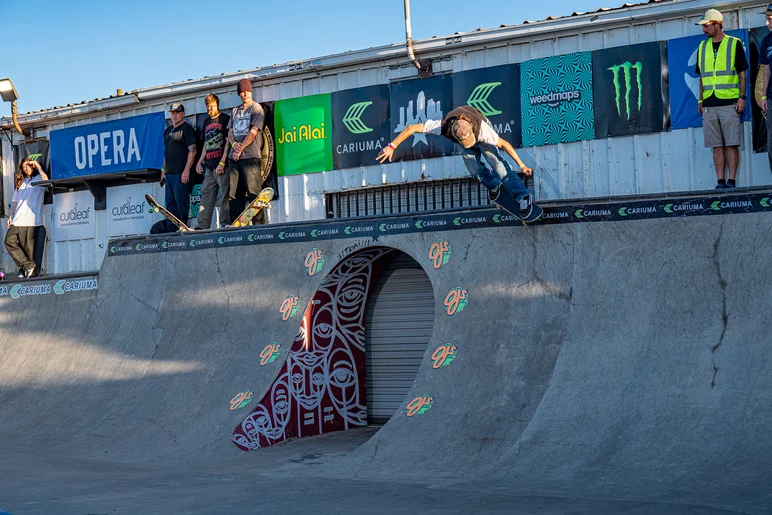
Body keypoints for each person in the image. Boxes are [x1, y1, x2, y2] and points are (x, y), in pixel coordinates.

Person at [376, 105, 535, 218]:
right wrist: (392, 146)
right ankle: (494, 185)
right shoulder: (442, 126)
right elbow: (411, 128)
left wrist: (522, 165)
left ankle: (523, 196)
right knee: (474, 169)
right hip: (462, 132)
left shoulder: (483, 131)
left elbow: (505, 145)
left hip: (480, 133)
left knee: (497, 164)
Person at [695, 9, 748, 189]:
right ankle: (720, 182)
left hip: (730, 102)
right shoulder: (702, 47)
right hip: (709, 103)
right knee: (716, 145)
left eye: (707, 25)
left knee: (731, 143)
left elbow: (742, 73)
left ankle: (731, 181)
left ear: (718, 24)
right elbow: (701, 76)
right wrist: (700, 100)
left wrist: (742, 97)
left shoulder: (734, 43)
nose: (704, 30)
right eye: (703, 26)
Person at [228, 78, 266, 224]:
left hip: (250, 157)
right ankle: (235, 224)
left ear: (251, 91)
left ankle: (258, 225)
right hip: (235, 158)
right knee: (234, 195)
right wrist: (234, 146)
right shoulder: (234, 111)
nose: (245, 94)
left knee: (254, 193)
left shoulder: (256, 108)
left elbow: (254, 131)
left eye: (247, 91)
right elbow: (230, 133)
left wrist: (241, 147)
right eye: (242, 92)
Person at [5, 159, 48, 278]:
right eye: (24, 167)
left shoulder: (39, 178)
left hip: (31, 220)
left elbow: (47, 181)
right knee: (9, 241)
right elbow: (15, 203)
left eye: (28, 166)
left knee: (28, 249)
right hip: (17, 219)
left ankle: (27, 272)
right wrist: (10, 216)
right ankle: (27, 266)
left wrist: (38, 167)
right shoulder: (21, 182)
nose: (26, 169)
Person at [195, 94, 232, 229]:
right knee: (206, 196)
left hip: (222, 165)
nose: (211, 109)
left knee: (225, 196)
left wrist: (222, 162)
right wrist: (200, 161)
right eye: (209, 106)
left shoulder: (225, 119)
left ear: (217, 105)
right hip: (209, 167)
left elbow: (229, 141)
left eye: (213, 106)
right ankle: (202, 225)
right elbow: (206, 143)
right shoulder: (205, 122)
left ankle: (225, 224)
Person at [162, 102, 197, 227]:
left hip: (180, 174)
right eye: (173, 113)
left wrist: (186, 170)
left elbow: (192, 151)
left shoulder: (187, 129)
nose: (175, 115)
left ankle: (183, 226)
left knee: (181, 202)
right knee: (170, 203)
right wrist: (163, 170)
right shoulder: (167, 131)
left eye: (177, 113)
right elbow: (166, 152)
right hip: (169, 173)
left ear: (183, 114)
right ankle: (172, 229)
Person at [758, 4, 772, 173]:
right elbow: (766, 69)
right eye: (767, 19)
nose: (767, 23)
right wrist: (762, 96)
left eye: (769, 19)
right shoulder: (766, 41)